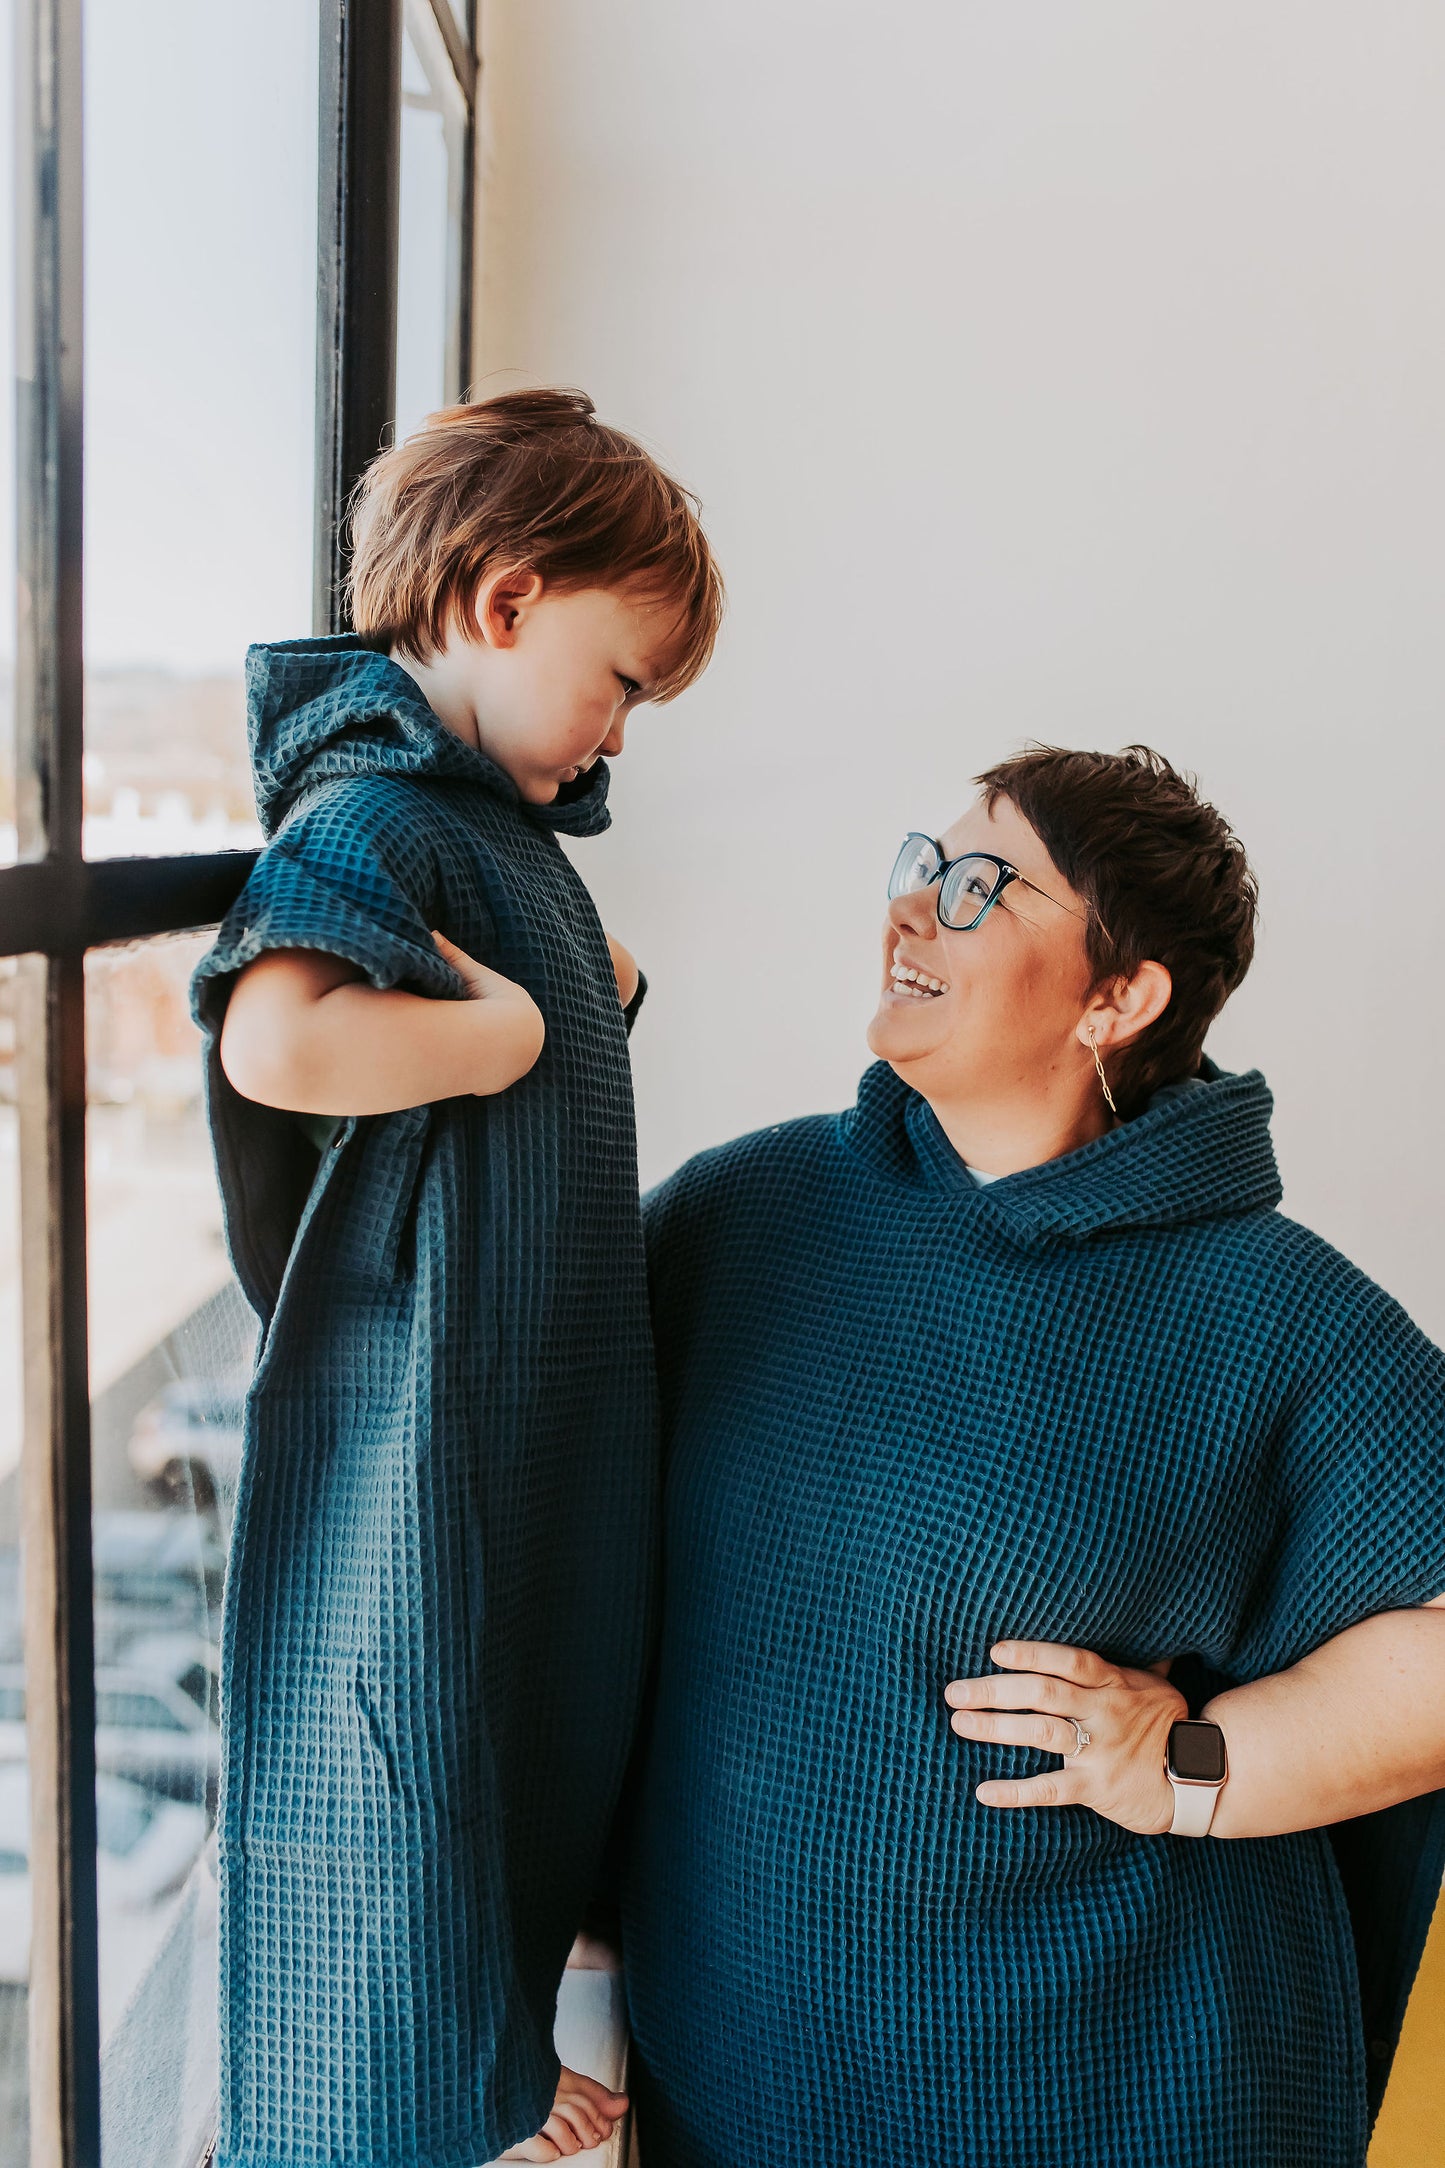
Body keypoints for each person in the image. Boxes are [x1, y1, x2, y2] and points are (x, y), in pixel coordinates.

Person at [620, 746, 1445, 2168]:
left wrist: (1192, 1761)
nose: (909, 913)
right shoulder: (739, 1215)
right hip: (741, 2080)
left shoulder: (1273, 1310)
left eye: (979, 888)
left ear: (1117, 1000)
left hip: (1118, 2099)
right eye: (917, 870)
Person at [191, 388, 723, 2168]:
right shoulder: (373, 799)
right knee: (415, 1730)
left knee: (537, 1696)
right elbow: (279, 1040)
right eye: (624, 681)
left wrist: (582, 988)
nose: (623, 735)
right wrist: (502, 1035)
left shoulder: (490, 829)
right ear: (502, 603)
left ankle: (499, 2026)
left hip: (528, 1372)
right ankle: (434, 2076)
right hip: (430, 1385)